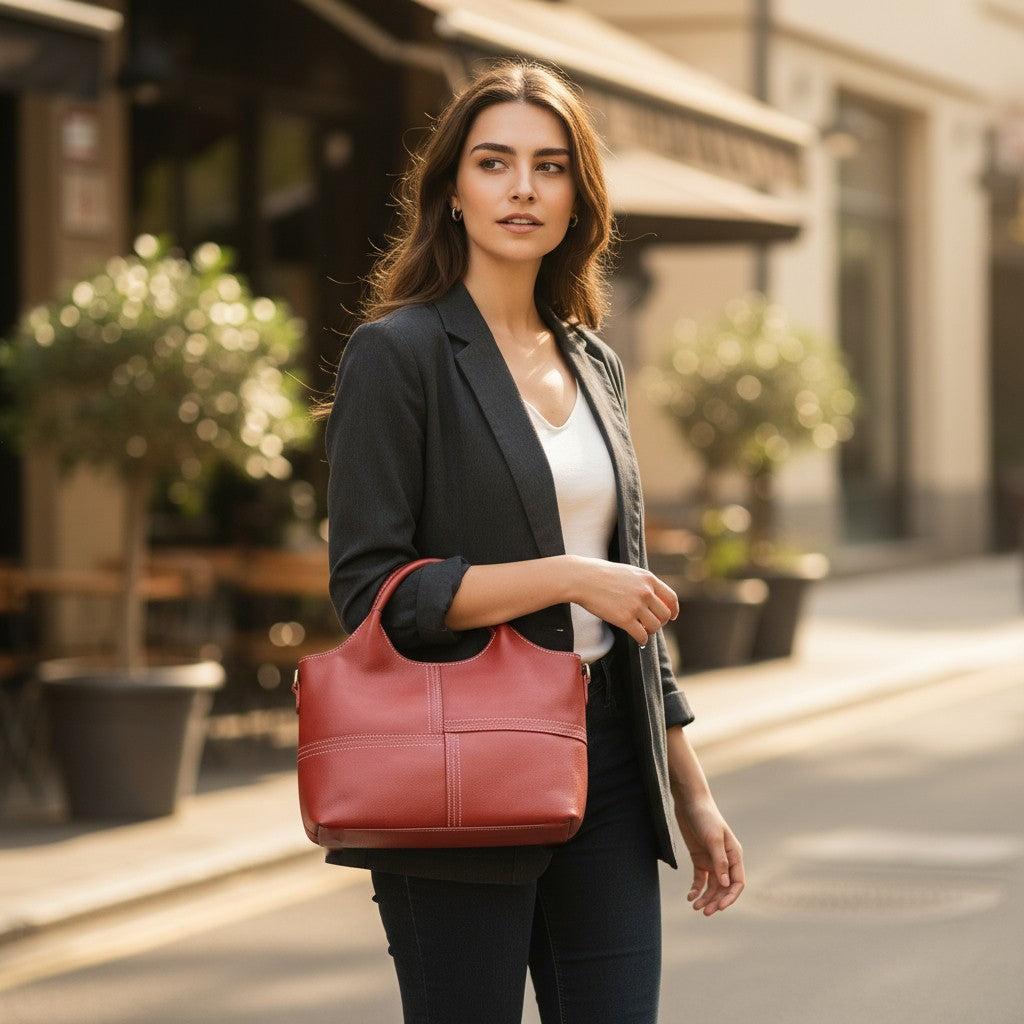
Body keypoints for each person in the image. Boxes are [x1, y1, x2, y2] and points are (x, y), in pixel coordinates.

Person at [323, 60, 744, 1024]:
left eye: (549, 166)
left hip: (612, 764)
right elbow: (371, 592)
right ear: (453, 191)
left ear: (577, 198)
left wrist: (690, 789)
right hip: (461, 762)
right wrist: (565, 577)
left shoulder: (595, 364)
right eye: (494, 162)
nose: (522, 187)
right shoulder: (398, 355)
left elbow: (631, 598)